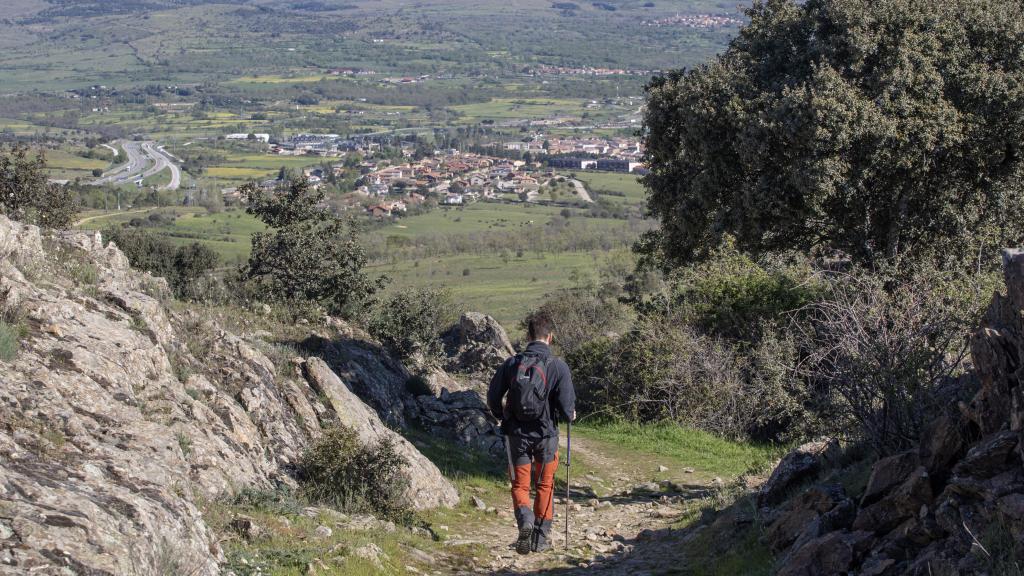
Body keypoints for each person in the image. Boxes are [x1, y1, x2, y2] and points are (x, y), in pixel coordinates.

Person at [487, 311, 576, 555]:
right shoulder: (558, 366)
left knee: (520, 484)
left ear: (528, 335)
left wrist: (502, 415)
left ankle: (525, 519)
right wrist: (569, 415)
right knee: (545, 484)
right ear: (551, 337)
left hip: (516, 436)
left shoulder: (512, 364)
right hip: (546, 436)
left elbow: (493, 397)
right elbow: (567, 409)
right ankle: (541, 538)